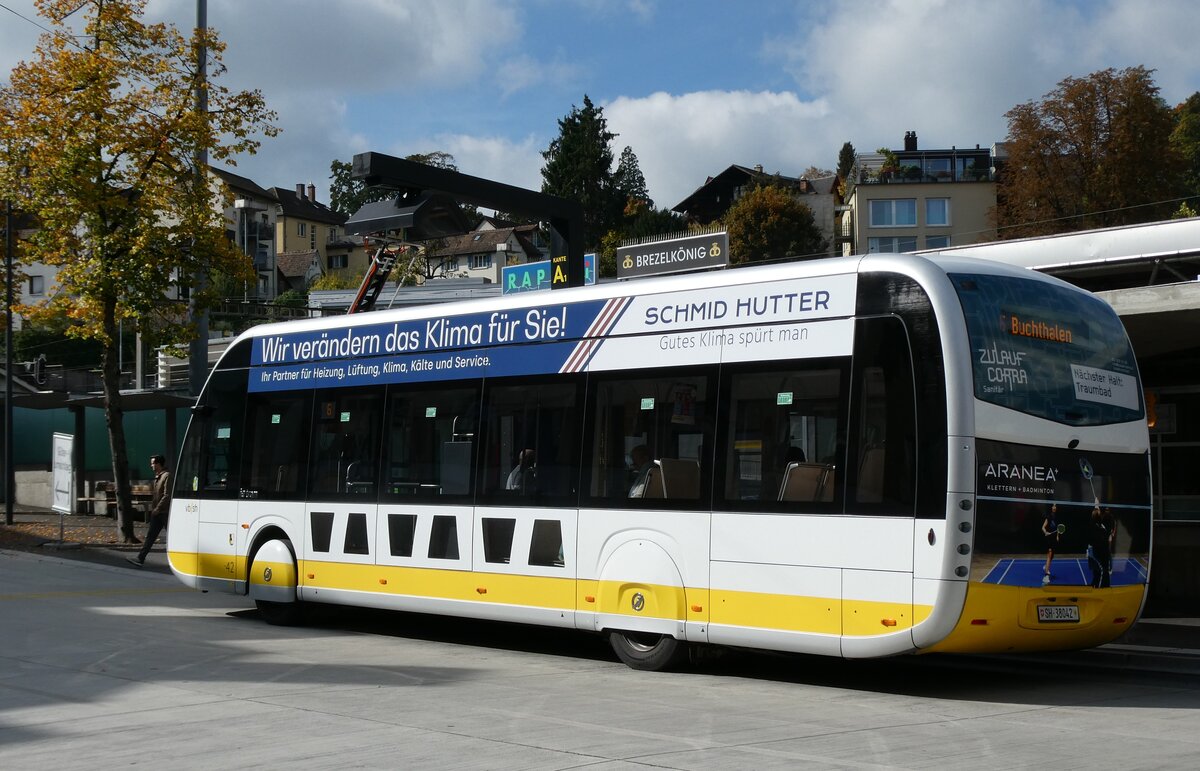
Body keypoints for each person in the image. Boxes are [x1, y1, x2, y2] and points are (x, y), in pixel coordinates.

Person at [126, 455, 172, 568]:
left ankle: (181, 559)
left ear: (158, 464)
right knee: (150, 536)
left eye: (152, 463)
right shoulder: (158, 476)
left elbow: (167, 495)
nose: (151, 465)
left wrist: (158, 508)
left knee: (172, 536)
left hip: (164, 512)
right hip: (157, 512)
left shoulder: (167, 476)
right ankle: (140, 558)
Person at [1087, 505, 1112, 588]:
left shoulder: (1100, 525)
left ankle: (1094, 585)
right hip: (1099, 554)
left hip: (1103, 554)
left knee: (1096, 572)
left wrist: (1096, 505)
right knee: (1102, 571)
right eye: (1099, 512)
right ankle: (1100, 589)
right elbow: (1104, 537)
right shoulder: (1095, 527)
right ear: (1097, 517)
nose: (1100, 512)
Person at [1041, 502, 1059, 585]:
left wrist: (1057, 536)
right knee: (1049, 554)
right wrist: (1046, 532)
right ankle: (1046, 576)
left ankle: (1046, 566)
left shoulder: (1057, 517)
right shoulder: (1048, 516)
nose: (1054, 507)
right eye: (1053, 506)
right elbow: (1043, 527)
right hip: (1049, 538)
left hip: (1054, 538)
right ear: (1051, 507)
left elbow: (1058, 528)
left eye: (1055, 506)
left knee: (1052, 555)